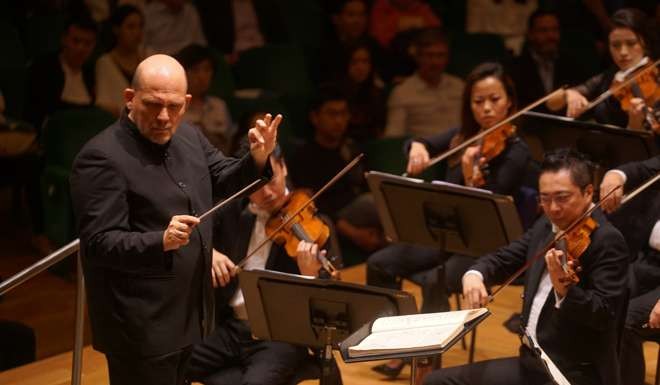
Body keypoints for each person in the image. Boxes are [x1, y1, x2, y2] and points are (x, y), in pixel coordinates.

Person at [70, 54, 279, 385]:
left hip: (187, 317)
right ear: (129, 98)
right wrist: (160, 240)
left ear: (187, 102)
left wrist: (257, 157)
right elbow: (97, 244)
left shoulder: (188, 137)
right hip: (140, 326)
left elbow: (224, 178)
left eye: (174, 106)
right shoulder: (101, 157)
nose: (164, 117)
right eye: (153, 105)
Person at [369, 62, 533, 378]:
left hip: (486, 246)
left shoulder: (516, 151)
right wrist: (416, 147)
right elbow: (422, 143)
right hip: (445, 235)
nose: (486, 108)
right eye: (477, 101)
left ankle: (427, 363)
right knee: (379, 263)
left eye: (494, 100)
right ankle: (396, 344)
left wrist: (471, 178)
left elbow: (491, 207)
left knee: (435, 280)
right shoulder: (462, 136)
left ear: (510, 100)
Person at [422, 148, 629, 385]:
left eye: (562, 197)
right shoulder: (546, 225)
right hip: (534, 363)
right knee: (436, 382)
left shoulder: (607, 241)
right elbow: (506, 257)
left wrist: (565, 292)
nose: (553, 208)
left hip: (572, 373)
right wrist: (475, 274)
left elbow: (605, 314)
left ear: (588, 192)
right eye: (545, 198)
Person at [185, 144, 341, 385]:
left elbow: (331, 302)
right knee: (169, 360)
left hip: (278, 337)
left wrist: (309, 276)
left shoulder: (317, 225)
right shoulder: (232, 212)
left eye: (271, 179)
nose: (266, 192)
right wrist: (210, 253)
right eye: (256, 185)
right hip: (229, 328)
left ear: (284, 167)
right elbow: (192, 234)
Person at [600, 155, 660, 385]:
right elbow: (641, 168)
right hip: (650, 263)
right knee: (602, 302)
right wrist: (615, 175)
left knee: (626, 321)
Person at [547, 8, 657, 131]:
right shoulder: (610, 76)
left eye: (631, 43)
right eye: (615, 45)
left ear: (645, 42)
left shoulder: (656, 76)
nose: (623, 52)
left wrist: (635, 126)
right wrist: (568, 94)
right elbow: (551, 104)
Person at [384, 29, 464, 138]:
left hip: (462, 150)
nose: (435, 62)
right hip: (425, 152)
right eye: (429, 56)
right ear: (418, 58)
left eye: (440, 56)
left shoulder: (459, 86)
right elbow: (394, 137)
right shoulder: (402, 93)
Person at [26, 14, 97, 130]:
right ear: (64, 39)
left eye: (87, 44)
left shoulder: (91, 72)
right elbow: (41, 110)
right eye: (76, 41)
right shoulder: (45, 67)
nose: (81, 48)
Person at [509, 9, 591, 108]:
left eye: (555, 30)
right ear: (530, 34)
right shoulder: (515, 67)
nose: (551, 36)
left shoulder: (572, 63)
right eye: (543, 31)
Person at [177, 44, 234, 153]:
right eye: (195, 70)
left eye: (207, 69)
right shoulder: (174, 106)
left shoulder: (219, 105)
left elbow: (228, 146)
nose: (202, 76)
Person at [95, 5, 147, 116]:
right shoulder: (104, 62)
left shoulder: (149, 57)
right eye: (131, 27)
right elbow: (103, 103)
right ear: (116, 29)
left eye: (140, 27)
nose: (137, 33)